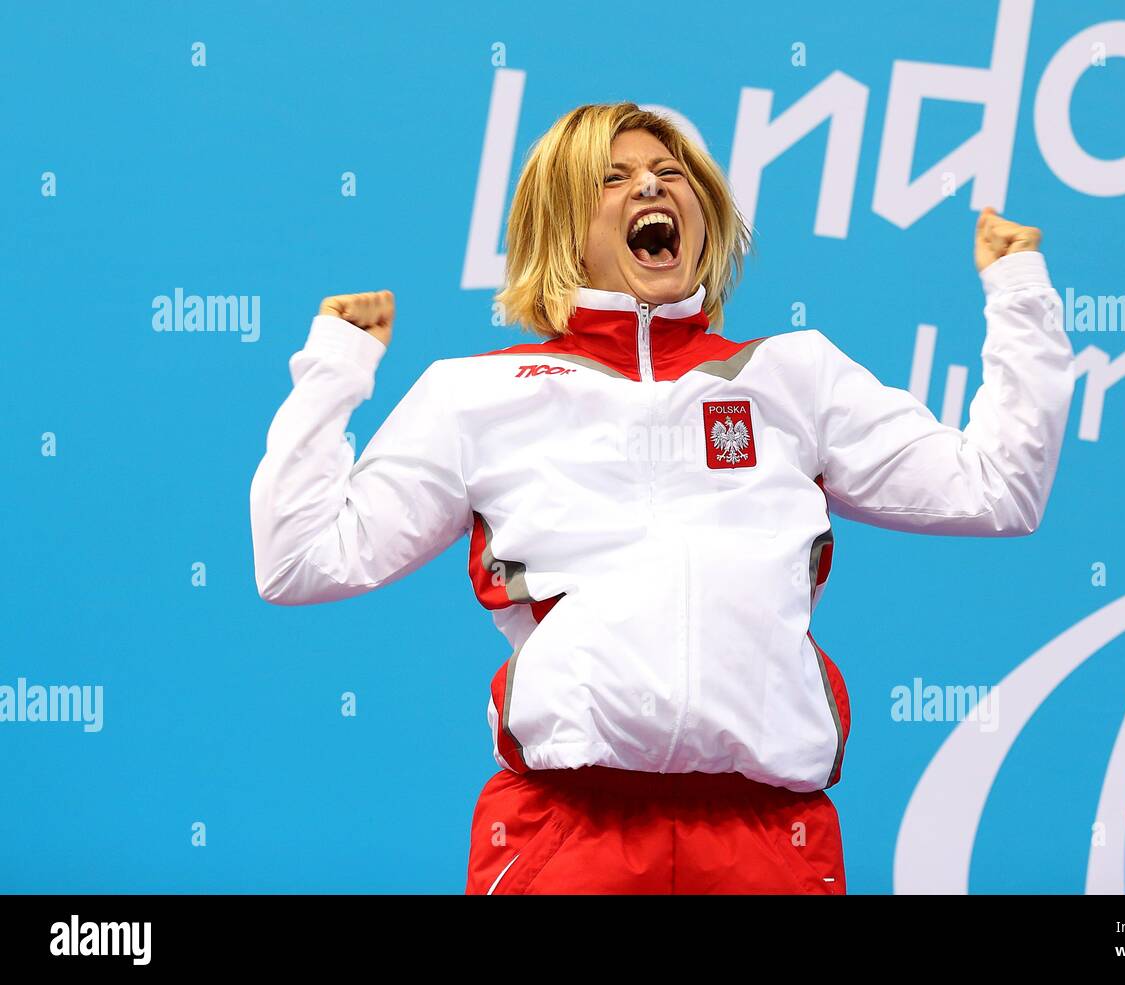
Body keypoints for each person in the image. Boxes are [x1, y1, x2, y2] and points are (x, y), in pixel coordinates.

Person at [249, 102, 1075, 894]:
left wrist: (1021, 292)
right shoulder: (476, 395)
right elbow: (301, 560)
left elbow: (1000, 489)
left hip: (771, 841)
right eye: (612, 178)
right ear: (562, 227)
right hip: (562, 837)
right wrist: (336, 365)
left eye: (670, 170)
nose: (652, 186)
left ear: (704, 214)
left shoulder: (794, 374)